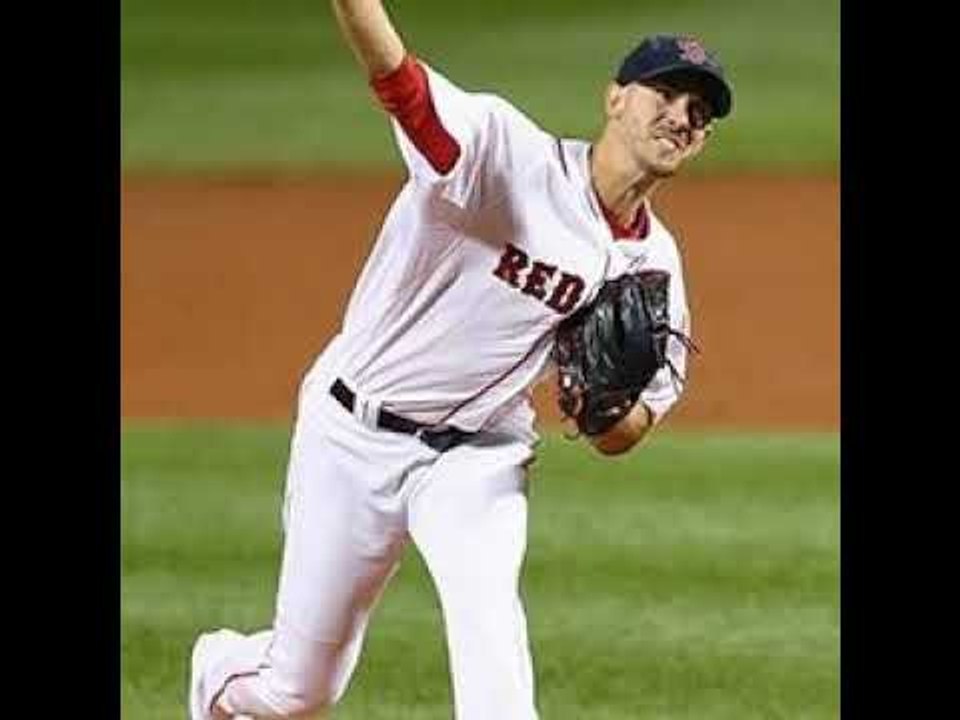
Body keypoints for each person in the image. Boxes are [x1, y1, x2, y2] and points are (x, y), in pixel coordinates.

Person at [188, 1, 733, 718]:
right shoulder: (504, 156)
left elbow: (627, 429)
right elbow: (399, 82)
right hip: (353, 432)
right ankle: (217, 672)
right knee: (299, 691)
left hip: (479, 456)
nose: (681, 116)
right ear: (615, 98)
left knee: (493, 655)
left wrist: (601, 409)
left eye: (700, 111)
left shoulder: (656, 264)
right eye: (665, 93)